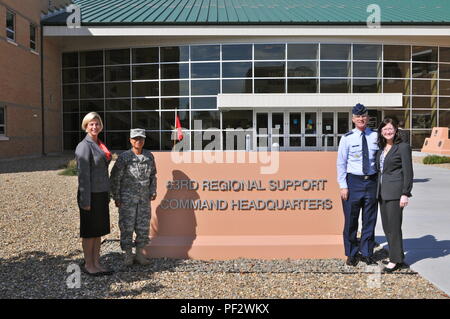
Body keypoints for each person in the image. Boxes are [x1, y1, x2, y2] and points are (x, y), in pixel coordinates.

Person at [337, 103, 379, 267]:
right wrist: (343, 185)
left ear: (367, 118)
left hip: (372, 182)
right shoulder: (347, 138)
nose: (361, 119)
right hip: (353, 182)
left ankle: (367, 253)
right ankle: (352, 253)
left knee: (370, 220)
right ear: (353, 119)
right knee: (351, 221)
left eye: (364, 116)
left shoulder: (375, 136)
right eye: (358, 117)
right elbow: (341, 163)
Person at [110, 128, 157, 266]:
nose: (138, 141)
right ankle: (128, 255)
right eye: (135, 138)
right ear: (130, 140)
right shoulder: (124, 157)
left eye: (141, 138)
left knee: (143, 227)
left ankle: (140, 254)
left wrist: (152, 191)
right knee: (126, 227)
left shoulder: (149, 156)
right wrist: (116, 197)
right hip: (127, 199)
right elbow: (115, 178)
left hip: (143, 199)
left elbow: (153, 176)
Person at [75, 112, 113, 276]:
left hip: (101, 194)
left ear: (101, 126)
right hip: (90, 195)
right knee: (90, 232)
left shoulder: (99, 144)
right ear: (86, 126)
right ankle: (89, 264)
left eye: (97, 124)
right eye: (91, 124)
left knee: (98, 232)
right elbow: (83, 175)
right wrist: (85, 200)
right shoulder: (84, 146)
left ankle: (97, 262)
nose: (94, 126)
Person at [376, 117, 413, 272]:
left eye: (390, 128)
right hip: (382, 192)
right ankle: (395, 256)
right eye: (385, 129)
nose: (388, 131)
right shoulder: (382, 148)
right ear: (381, 132)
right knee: (387, 227)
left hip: (396, 193)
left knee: (394, 227)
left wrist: (405, 193)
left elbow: (408, 172)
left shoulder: (402, 147)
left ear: (396, 130)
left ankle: (395, 260)